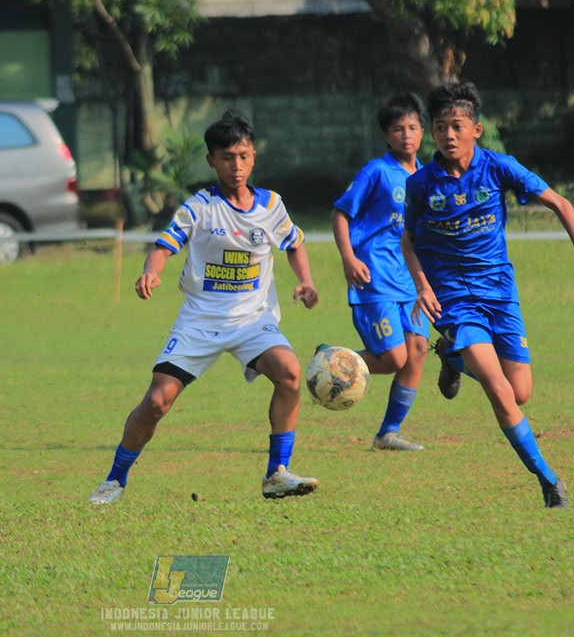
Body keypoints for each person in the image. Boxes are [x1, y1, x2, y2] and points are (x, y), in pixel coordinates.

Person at [401, 81, 574, 508]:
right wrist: (423, 286)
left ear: (477, 129)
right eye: (441, 127)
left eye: (457, 126)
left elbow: (561, 203)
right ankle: (548, 479)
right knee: (499, 391)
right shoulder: (422, 184)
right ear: (432, 132)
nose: (449, 134)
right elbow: (408, 241)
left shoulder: (499, 167)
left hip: (501, 296)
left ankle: (452, 358)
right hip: (454, 301)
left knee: (520, 391)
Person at [88, 110, 320, 505]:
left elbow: (294, 243)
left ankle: (277, 473)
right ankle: (114, 479)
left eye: (244, 156)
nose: (237, 165)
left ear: (253, 156)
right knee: (158, 401)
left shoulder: (271, 205)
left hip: (253, 320)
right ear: (211, 160)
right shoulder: (198, 207)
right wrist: (150, 271)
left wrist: (307, 281)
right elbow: (164, 245)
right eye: (227, 157)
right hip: (200, 320)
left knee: (291, 373)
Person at [330, 93, 429, 452]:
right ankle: (329, 364)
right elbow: (340, 214)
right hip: (374, 278)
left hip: (410, 281)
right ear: (385, 136)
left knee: (417, 350)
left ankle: (388, 432)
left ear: (423, 132)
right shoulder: (376, 171)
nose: (406, 135)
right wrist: (347, 258)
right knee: (394, 358)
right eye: (398, 129)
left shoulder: (426, 176)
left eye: (413, 127)